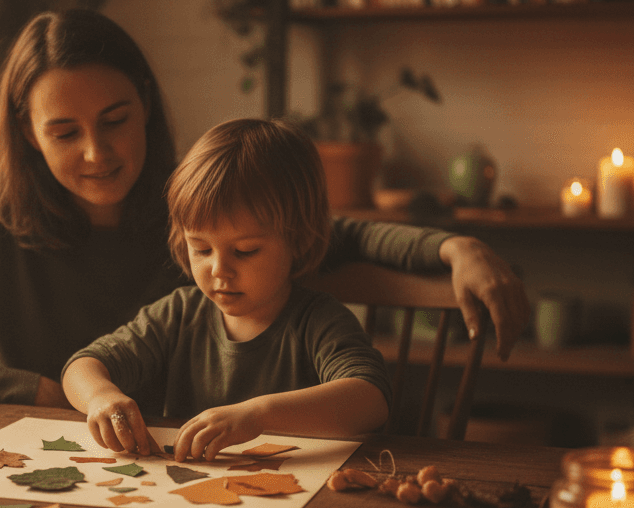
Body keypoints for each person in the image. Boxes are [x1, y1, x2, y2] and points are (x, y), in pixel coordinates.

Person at [0, 9, 528, 413]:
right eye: (64, 132)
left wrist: (454, 248)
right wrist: (40, 391)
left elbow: (337, 235)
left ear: (145, 102)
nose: (97, 153)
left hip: (163, 469)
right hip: (19, 457)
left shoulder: (192, 208)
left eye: (115, 120)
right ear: (27, 132)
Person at [62, 119, 389, 462]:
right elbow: (81, 366)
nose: (219, 270)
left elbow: (371, 399)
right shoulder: (179, 314)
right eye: (201, 249)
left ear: (299, 240)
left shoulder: (318, 321)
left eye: (245, 251)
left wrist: (258, 415)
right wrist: (100, 396)